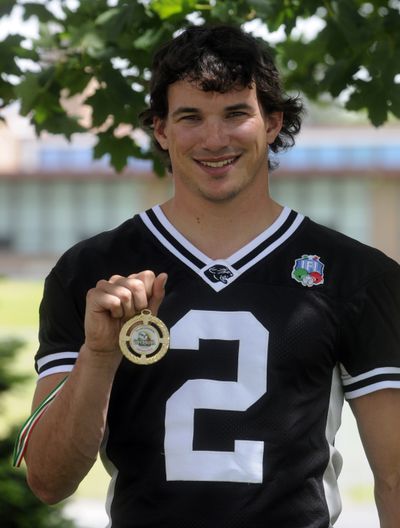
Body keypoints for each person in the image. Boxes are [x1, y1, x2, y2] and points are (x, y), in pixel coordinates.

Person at [20, 24, 400, 528]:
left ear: (272, 122)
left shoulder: (356, 274)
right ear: (161, 129)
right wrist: (100, 354)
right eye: (190, 117)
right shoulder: (90, 273)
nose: (214, 139)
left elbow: (395, 476)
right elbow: (48, 481)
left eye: (236, 114)